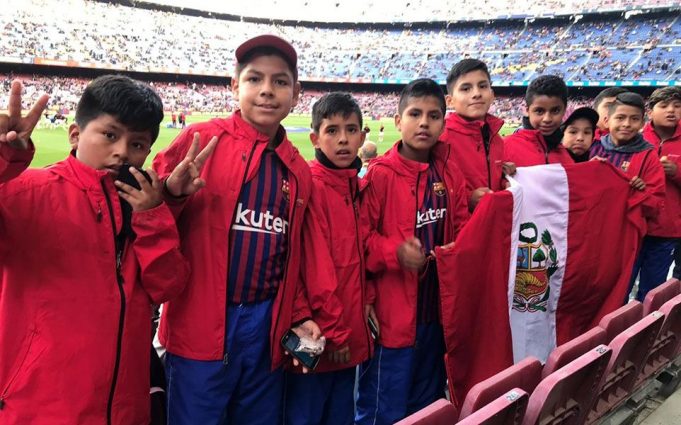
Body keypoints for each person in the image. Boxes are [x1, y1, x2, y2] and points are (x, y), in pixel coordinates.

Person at [0, 75, 194, 424]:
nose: (122, 151)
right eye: (109, 135)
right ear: (75, 134)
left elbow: (167, 286)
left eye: (137, 144)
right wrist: (3, 160)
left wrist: (154, 217)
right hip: (40, 406)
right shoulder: (24, 192)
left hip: (124, 405)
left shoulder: (141, 203)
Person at [152, 35, 321, 424]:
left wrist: (297, 312)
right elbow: (146, 218)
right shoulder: (201, 138)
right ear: (234, 86)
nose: (266, 90)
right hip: (200, 321)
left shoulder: (297, 168)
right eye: (254, 79)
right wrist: (172, 195)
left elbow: (290, 253)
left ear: (296, 94)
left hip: (264, 326)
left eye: (280, 81)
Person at [356, 79, 469, 425]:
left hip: (436, 316)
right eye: (415, 114)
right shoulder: (379, 176)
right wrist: (395, 253)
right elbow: (360, 241)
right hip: (393, 320)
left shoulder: (451, 172)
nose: (424, 123)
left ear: (444, 122)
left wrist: (457, 250)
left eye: (433, 115)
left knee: (427, 405)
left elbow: (464, 227)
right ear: (397, 121)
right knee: (381, 408)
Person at [285, 92, 372, 425]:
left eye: (351, 130)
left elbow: (358, 260)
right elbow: (316, 266)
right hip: (323, 334)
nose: (343, 139)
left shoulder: (355, 187)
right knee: (308, 413)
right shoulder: (313, 186)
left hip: (346, 330)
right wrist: (335, 332)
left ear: (363, 136)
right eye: (332, 130)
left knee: (340, 414)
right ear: (315, 138)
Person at [588, 92, 666, 300]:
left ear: (643, 122)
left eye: (634, 119)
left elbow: (656, 203)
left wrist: (640, 192)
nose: (626, 124)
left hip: (627, 239)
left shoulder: (648, 155)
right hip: (593, 236)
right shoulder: (592, 147)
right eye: (620, 118)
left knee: (620, 292)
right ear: (607, 120)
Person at [441, 58, 515, 211]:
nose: (476, 94)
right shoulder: (442, 139)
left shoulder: (496, 139)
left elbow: (492, 180)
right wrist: (467, 199)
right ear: (450, 101)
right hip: (459, 231)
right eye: (466, 88)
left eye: (482, 86)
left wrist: (505, 181)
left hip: (492, 225)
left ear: (492, 94)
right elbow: (430, 189)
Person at [632, 87, 681, 300]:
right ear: (650, 112)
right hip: (635, 226)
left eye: (677, 106)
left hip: (666, 231)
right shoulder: (636, 138)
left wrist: (677, 172)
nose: (671, 111)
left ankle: (644, 331)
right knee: (623, 284)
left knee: (652, 290)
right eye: (664, 106)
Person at [504, 75, 573, 166]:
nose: (547, 119)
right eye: (539, 111)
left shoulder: (566, 157)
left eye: (555, 111)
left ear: (564, 111)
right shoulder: (505, 147)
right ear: (527, 110)